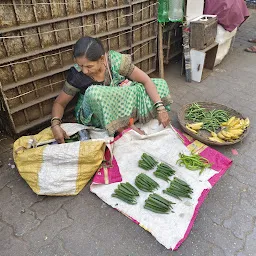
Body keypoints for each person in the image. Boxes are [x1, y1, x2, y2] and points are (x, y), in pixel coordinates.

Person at [51, 36, 172, 143]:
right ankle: (124, 129)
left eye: (89, 66)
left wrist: (160, 108)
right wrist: (55, 125)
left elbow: (146, 80)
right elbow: (60, 103)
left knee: (159, 85)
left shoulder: (115, 61)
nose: (84, 71)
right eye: (81, 65)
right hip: (96, 115)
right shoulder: (77, 75)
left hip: (120, 105)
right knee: (94, 93)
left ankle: (128, 121)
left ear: (102, 59)